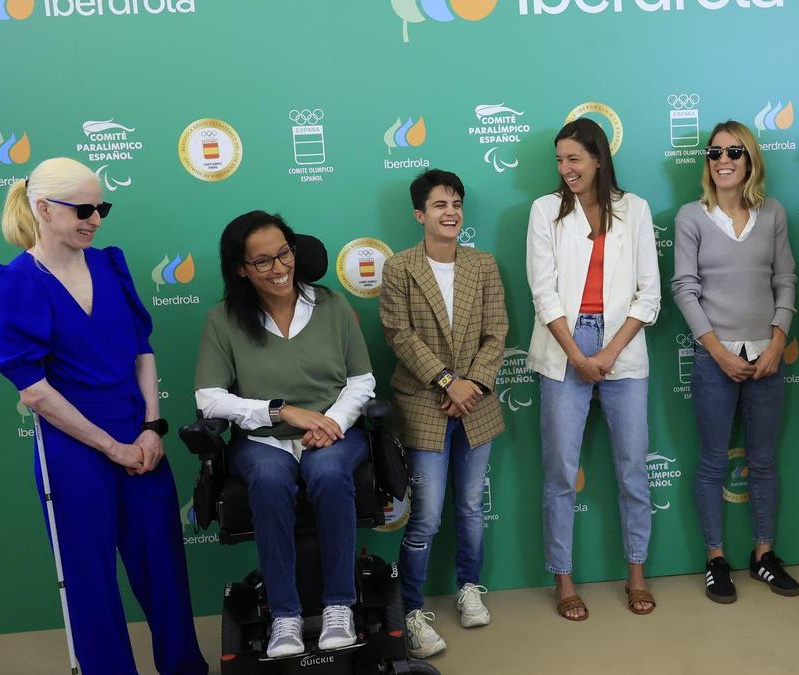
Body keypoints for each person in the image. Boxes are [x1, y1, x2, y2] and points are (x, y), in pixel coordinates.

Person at [0, 157, 208, 675]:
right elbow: (34, 392)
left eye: (101, 207)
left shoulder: (110, 264)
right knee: (89, 580)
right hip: (72, 452)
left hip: (141, 440)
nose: (96, 218)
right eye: (84, 208)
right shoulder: (14, 283)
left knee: (164, 570)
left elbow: (142, 350)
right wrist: (112, 447)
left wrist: (151, 429)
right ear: (43, 209)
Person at [194, 211, 376, 658]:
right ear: (241, 268)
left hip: (334, 431)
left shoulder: (332, 305)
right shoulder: (225, 320)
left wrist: (330, 421)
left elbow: (362, 381)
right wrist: (279, 411)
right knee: (271, 480)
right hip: (264, 439)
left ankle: (338, 606)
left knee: (330, 471)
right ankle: (285, 615)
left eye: (284, 254)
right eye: (263, 262)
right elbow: (209, 398)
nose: (279, 268)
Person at [527, 117, 661, 621]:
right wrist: (578, 355)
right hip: (564, 344)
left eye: (574, 159)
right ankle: (563, 579)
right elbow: (542, 291)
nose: (566, 170)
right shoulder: (544, 211)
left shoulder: (636, 209)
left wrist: (607, 353)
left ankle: (636, 575)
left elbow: (650, 293)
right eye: (560, 161)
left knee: (632, 471)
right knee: (561, 471)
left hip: (622, 345)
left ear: (598, 159)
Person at [379, 169, 507, 658]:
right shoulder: (400, 267)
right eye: (439, 204)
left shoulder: (484, 265)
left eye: (456, 203)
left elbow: (496, 331)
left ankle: (469, 586)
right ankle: (410, 610)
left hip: (477, 403)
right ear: (420, 214)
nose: (450, 212)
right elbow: (399, 334)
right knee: (427, 517)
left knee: (471, 507)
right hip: (423, 403)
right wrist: (446, 381)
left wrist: (470, 384)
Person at [671, 120, 799, 604]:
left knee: (764, 460)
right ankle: (715, 559)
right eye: (715, 152)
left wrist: (776, 343)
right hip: (714, 361)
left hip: (768, 357)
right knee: (710, 462)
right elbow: (684, 288)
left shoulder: (773, 214)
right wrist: (718, 351)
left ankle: (764, 555)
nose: (723, 160)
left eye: (734, 152)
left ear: (750, 160)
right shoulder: (690, 216)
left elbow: (786, 280)